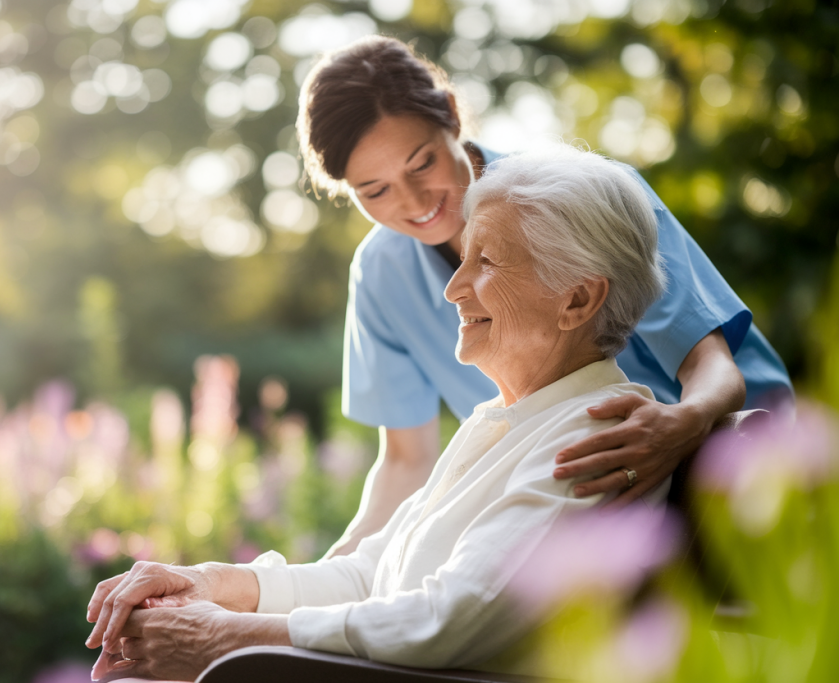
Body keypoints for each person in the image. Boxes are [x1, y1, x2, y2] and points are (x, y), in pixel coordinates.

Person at [84, 144, 674, 681]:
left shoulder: (598, 431)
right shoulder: (507, 422)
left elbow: (454, 614)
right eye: (463, 259)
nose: (453, 288)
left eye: (487, 263)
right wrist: (211, 583)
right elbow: (373, 575)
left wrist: (222, 638)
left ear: (576, 298)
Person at [296, 36, 794, 556]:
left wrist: (683, 426)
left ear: (449, 113)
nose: (414, 202)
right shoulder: (381, 273)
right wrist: (328, 569)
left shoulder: (587, 198)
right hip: (593, 501)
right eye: (375, 191)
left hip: (736, 456)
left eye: (421, 164)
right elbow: (405, 462)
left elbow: (716, 371)